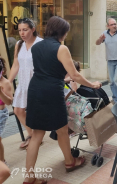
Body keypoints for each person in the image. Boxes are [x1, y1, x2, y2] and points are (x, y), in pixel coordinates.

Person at [24, 16, 101, 184]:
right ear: (63, 32)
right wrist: (92, 84)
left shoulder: (36, 47)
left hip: (35, 90)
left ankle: (29, 177)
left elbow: (45, 70)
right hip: (52, 92)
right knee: (62, 129)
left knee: (37, 134)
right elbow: (74, 75)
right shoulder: (61, 48)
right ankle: (70, 161)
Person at [7, 18, 43, 149]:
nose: (22, 33)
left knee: (36, 113)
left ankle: (36, 137)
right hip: (22, 83)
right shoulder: (19, 44)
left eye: (25, 30)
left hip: (36, 83)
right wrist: (8, 82)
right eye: (20, 30)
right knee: (18, 110)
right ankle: (32, 135)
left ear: (33, 29)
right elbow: (16, 65)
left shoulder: (41, 44)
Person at [95, 18, 117, 103]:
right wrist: (100, 39)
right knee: (112, 82)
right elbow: (97, 43)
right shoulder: (104, 33)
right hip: (110, 61)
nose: (114, 26)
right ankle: (115, 98)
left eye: (115, 24)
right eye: (112, 24)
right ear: (108, 26)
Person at [0, 58, 13, 163]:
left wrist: (0, 92)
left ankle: (2, 162)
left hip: (1, 114)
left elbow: (9, 102)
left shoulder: (5, 83)